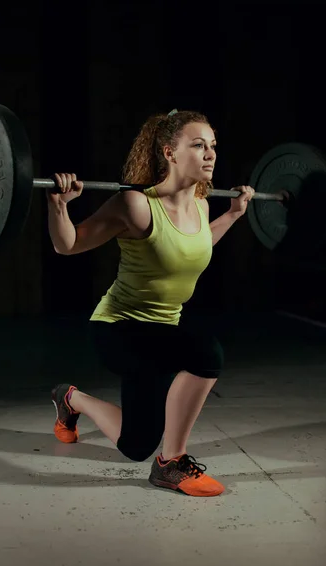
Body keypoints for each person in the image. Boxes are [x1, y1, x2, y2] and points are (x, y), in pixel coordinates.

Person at [47, 109, 254, 497]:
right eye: (198, 145)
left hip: (161, 333)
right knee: (205, 352)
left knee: (135, 445)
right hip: (119, 329)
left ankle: (70, 398)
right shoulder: (136, 205)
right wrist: (59, 205)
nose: (210, 154)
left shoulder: (202, 204)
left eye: (213, 146)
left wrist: (233, 215)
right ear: (169, 152)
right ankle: (170, 464)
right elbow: (68, 244)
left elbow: (195, 247)